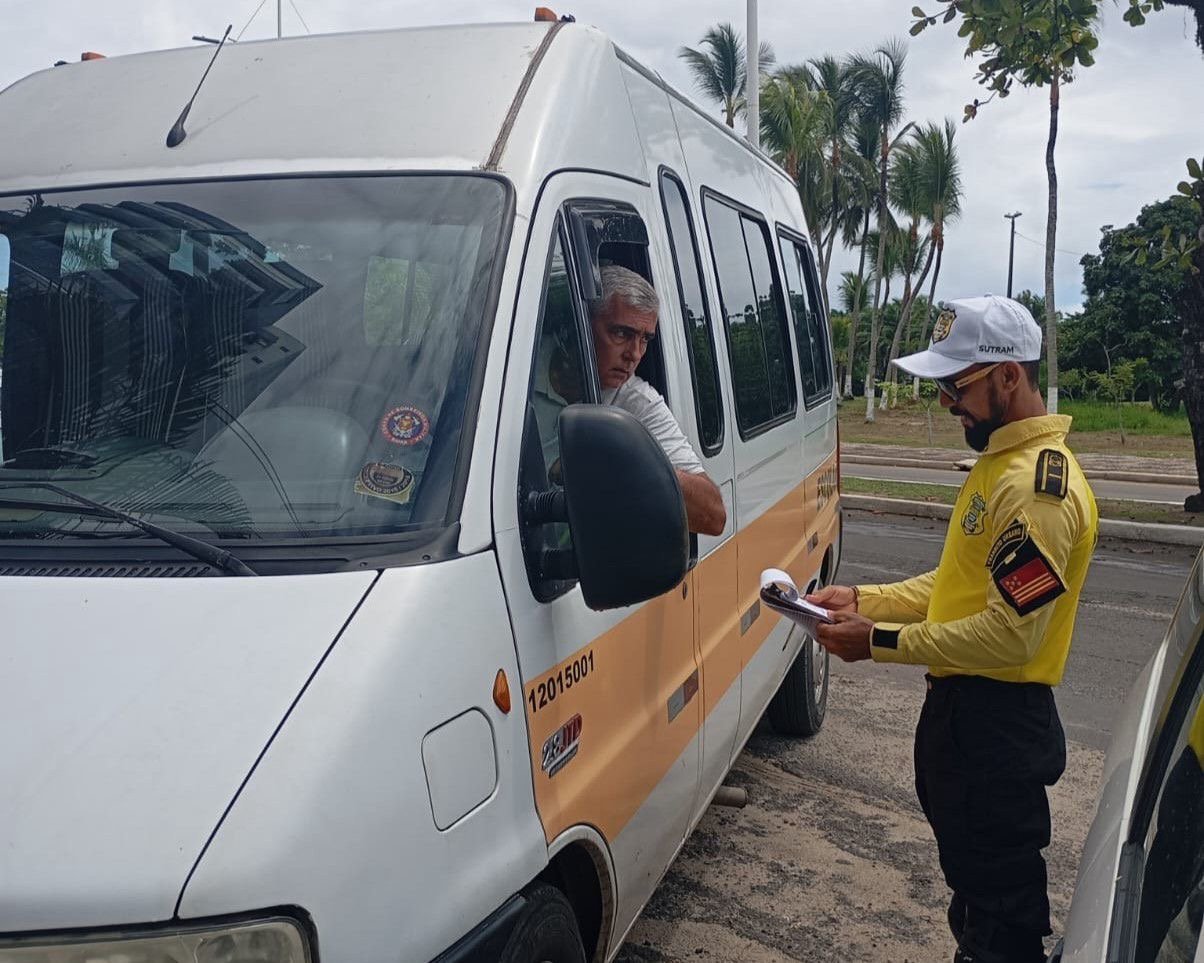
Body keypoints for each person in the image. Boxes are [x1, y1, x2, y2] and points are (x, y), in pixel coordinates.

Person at [807, 295, 1099, 963]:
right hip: (971, 724)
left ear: (1007, 377)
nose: (944, 401)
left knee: (1000, 921)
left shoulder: (1037, 489)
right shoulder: (999, 465)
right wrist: (864, 598)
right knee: (976, 899)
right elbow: (954, 588)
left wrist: (876, 642)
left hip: (997, 726)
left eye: (954, 384)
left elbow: (1010, 635)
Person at [588, 264, 726, 536]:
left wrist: (627, 460)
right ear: (584, 323)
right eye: (621, 333)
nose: (635, 354)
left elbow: (712, 514)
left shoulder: (637, 403)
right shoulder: (519, 370)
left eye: (644, 339)